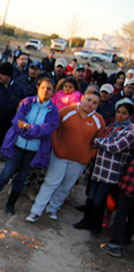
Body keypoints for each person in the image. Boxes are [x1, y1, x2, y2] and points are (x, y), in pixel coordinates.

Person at [0, 78, 59, 215]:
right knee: (6, 173)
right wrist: (34, 130)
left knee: (22, 178)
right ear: (38, 88)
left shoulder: (53, 111)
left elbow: (46, 129)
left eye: (49, 89)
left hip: (33, 150)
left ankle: (10, 205)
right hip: (17, 145)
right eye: (43, 87)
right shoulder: (27, 102)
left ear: (53, 93)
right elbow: (18, 122)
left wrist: (28, 127)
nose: (45, 91)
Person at [25, 93, 104, 222]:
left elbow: (98, 140)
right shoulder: (67, 111)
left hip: (80, 161)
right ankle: (36, 211)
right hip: (60, 156)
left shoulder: (98, 120)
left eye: (94, 103)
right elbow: (54, 129)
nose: (90, 104)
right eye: (89, 100)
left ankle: (53, 208)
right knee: (51, 183)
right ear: (83, 99)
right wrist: (57, 147)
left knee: (67, 186)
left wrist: (89, 155)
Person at [73, 99, 134, 237]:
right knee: (91, 197)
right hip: (98, 168)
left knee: (100, 200)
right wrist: (101, 141)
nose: (120, 115)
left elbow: (114, 147)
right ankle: (86, 221)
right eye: (118, 112)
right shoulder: (111, 127)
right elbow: (103, 140)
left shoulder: (130, 132)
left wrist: (97, 142)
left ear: (130, 116)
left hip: (110, 173)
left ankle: (96, 227)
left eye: (124, 113)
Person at [100, 155, 134, 258]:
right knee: (132, 217)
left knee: (121, 214)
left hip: (130, 185)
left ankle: (115, 245)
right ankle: (123, 242)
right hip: (129, 183)